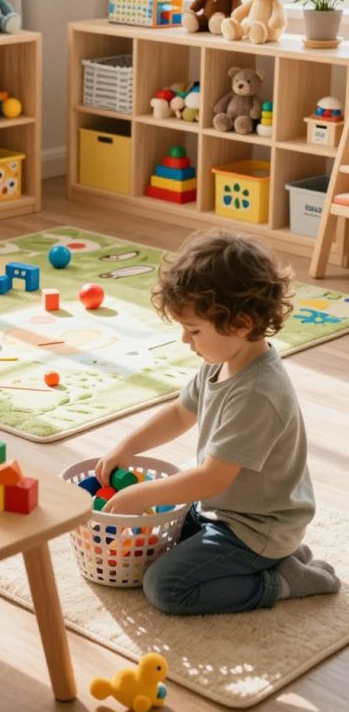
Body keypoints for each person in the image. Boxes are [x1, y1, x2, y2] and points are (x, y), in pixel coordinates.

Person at [95, 229, 339, 616]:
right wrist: (126, 448)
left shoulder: (258, 393)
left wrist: (139, 495)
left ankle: (282, 580)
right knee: (152, 544)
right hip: (223, 511)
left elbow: (211, 479)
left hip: (255, 527)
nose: (185, 340)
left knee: (165, 586)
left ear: (240, 324)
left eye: (194, 330)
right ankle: (281, 558)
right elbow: (180, 413)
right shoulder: (221, 361)